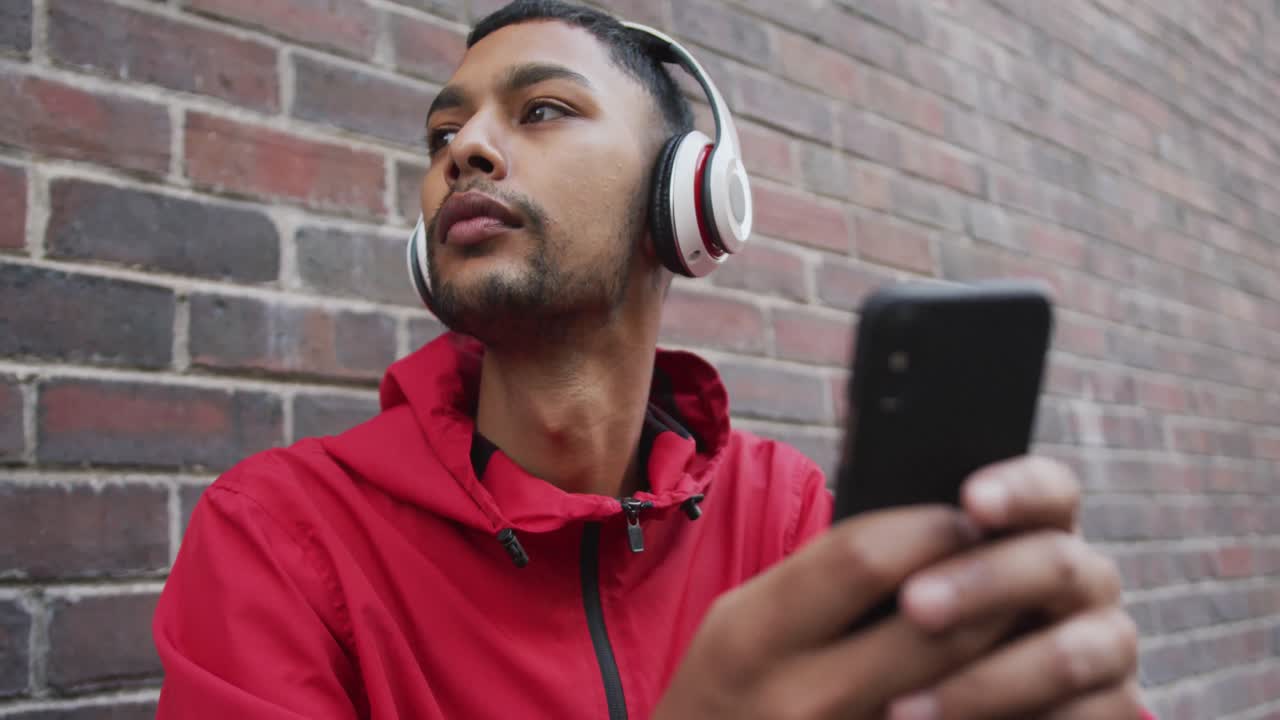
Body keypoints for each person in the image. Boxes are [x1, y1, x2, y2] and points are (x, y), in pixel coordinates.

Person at [153, 1, 1148, 718]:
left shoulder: (795, 519)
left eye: (539, 110)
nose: (465, 151)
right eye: (443, 133)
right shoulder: (280, 538)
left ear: (687, 201)